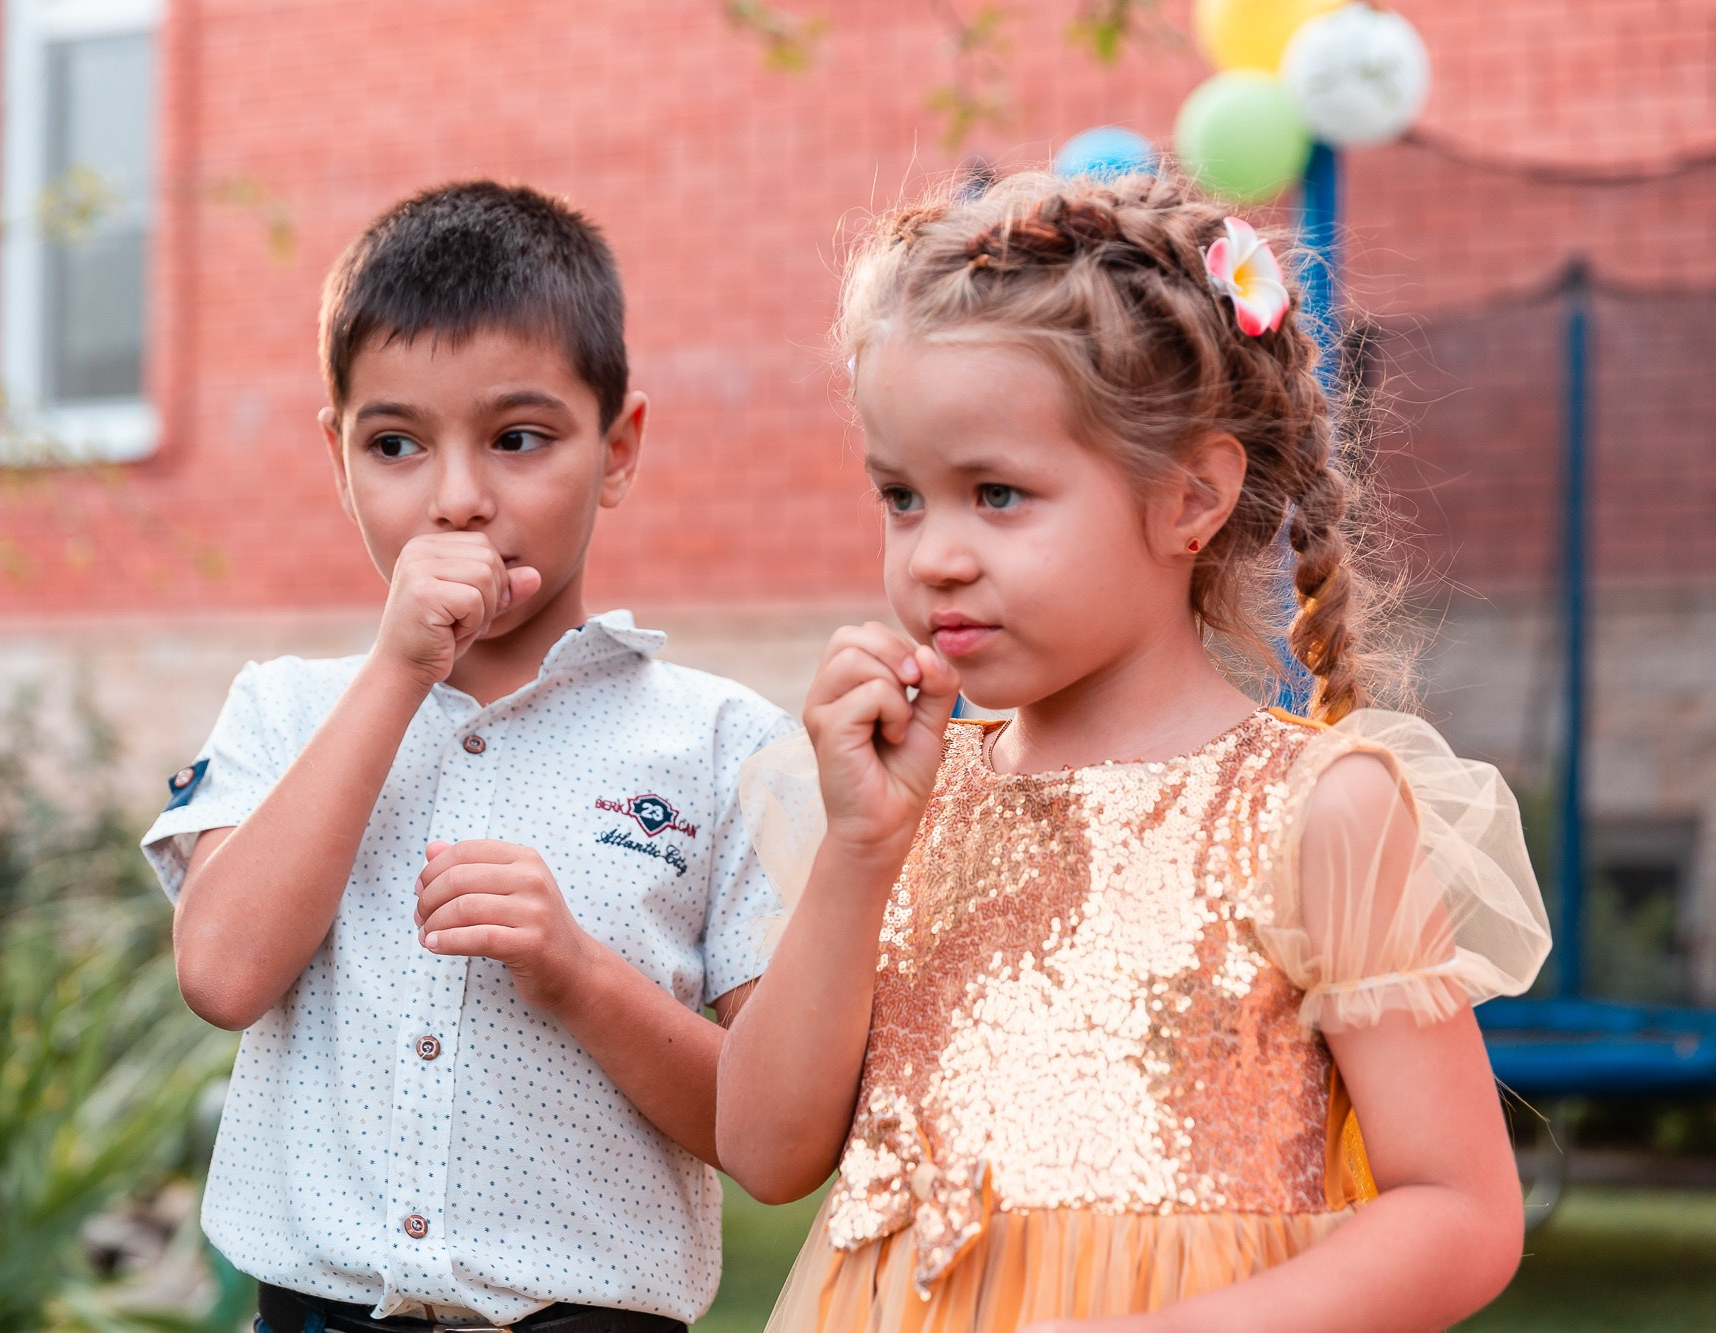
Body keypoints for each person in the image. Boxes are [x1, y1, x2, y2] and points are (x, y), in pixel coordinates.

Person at [715, 171, 1553, 1333]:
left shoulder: (1315, 809)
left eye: (995, 494)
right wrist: (859, 851)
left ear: (1188, 500)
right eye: (900, 497)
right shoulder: (906, 800)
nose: (935, 556)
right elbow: (760, 1150)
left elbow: (1458, 1209)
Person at [142, 181, 792, 1333]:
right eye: (394, 443)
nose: (456, 499)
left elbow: (768, 1131)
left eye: (517, 439)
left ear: (619, 448)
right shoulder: (284, 712)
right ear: (335, 454)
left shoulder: (719, 742)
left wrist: (578, 975)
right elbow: (223, 972)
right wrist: (398, 672)